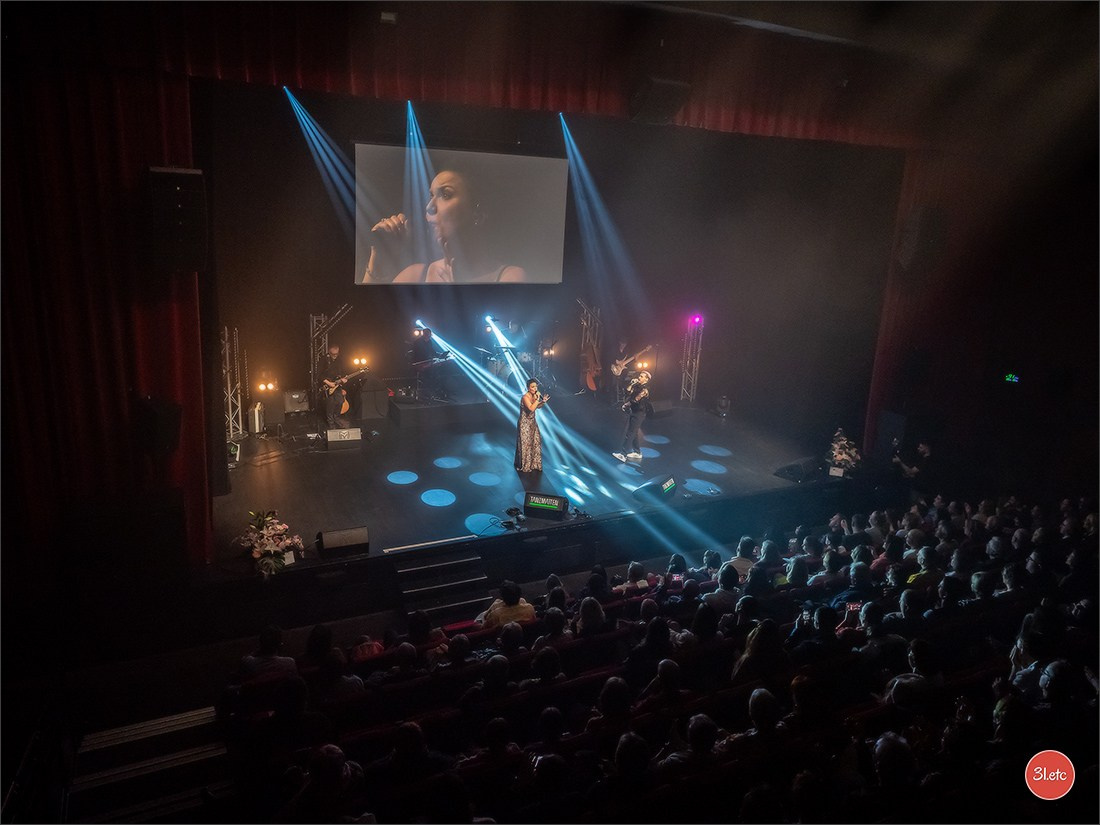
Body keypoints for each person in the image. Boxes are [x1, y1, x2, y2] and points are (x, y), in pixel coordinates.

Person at [365, 168, 527, 283]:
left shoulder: (511, 277)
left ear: (477, 214)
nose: (429, 206)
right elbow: (366, 322)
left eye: (445, 194)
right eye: (431, 196)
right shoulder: (414, 275)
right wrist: (378, 262)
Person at [613, 370, 652, 462]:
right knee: (634, 433)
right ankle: (637, 452)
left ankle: (623, 454)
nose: (639, 377)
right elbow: (627, 392)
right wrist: (631, 384)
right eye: (640, 376)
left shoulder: (645, 389)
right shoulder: (637, 385)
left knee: (630, 433)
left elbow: (636, 399)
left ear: (646, 379)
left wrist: (626, 405)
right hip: (634, 411)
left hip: (639, 413)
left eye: (642, 377)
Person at [515, 378, 550, 473]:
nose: (535, 388)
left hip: (532, 422)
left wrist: (543, 402)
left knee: (535, 442)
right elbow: (531, 408)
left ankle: (534, 464)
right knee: (525, 443)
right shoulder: (525, 397)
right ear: (528, 388)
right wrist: (537, 399)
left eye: (536, 386)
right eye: (532, 387)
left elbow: (537, 407)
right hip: (524, 424)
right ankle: (525, 465)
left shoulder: (534, 396)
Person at [318, 343, 350, 430]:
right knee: (330, 404)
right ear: (329, 352)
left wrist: (344, 379)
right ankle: (330, 422)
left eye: (336, 354)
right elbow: (319, 375)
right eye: (333, 354)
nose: (335, 356)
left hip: (337, 385)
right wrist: (328, 383)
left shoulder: (340, 360)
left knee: (340, 402)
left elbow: (343, 372)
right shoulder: (324, 360)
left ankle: (336, 418)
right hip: (328, 385)